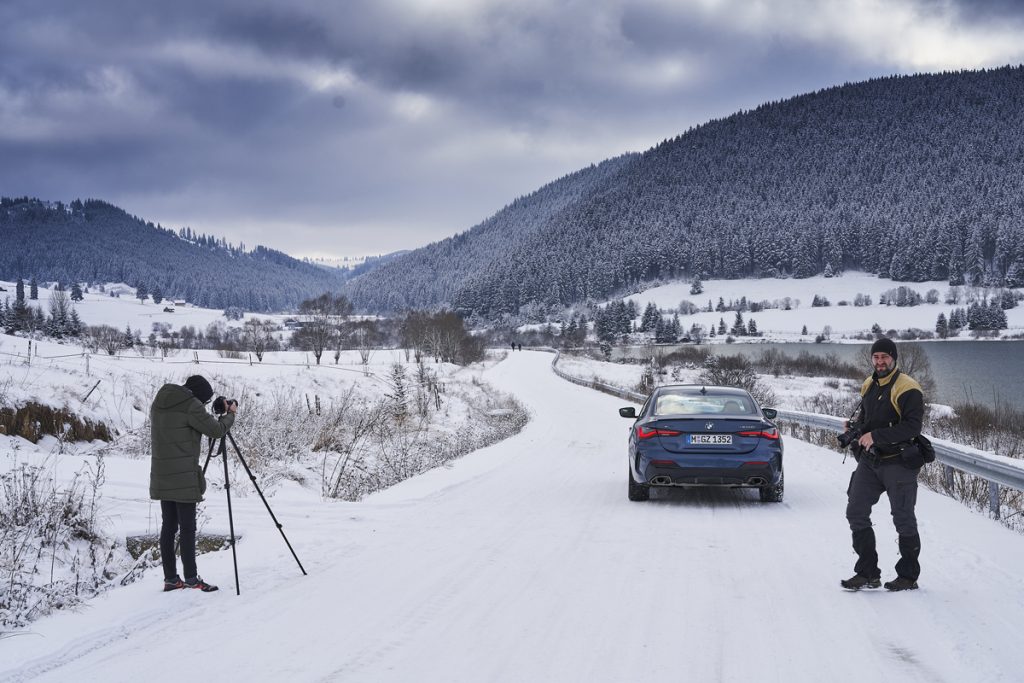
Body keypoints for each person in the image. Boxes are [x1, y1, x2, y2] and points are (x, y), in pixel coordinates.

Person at [841, 338, 925, 592]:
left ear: (894, 358)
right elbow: (867, 419)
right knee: (855, 511)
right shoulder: (869, 384)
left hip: (899, 462)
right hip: (871, 461)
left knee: (903, 519)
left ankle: (908, 577)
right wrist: (855, 430)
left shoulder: (908, 387)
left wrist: (876, 436)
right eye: (876, 357)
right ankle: (868, 572)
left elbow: (912, 426)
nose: (879, 362)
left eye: (884, 357)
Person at [150, 375, 237, 592]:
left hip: (162, 473)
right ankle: (191, 578)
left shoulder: (160, 402)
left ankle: (170, 578)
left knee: (168, 527)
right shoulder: (191, 406)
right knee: (187, 528)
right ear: (199, 397)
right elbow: (216, 430)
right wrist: (230, 415)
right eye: (204, 402)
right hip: (184, 477)